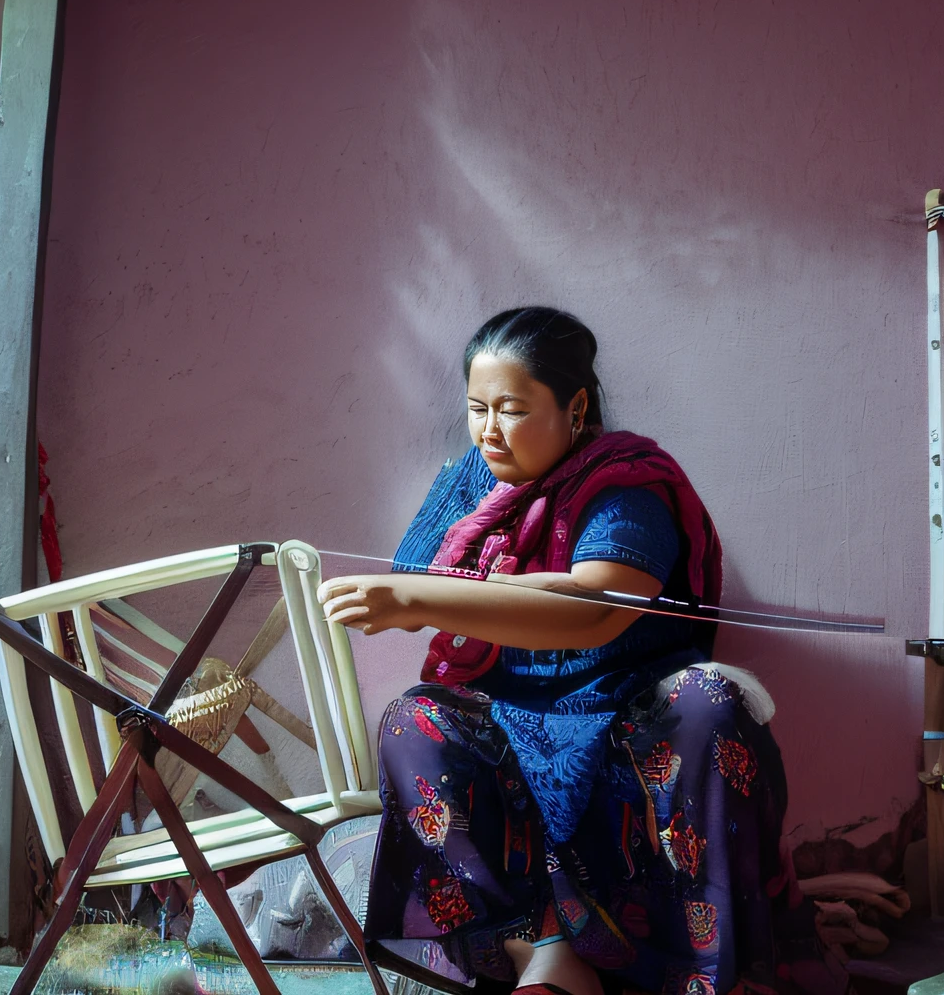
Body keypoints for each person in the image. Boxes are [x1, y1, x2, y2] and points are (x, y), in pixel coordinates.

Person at [318, 308, 791, 995]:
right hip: (508, 709)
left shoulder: (625, 480)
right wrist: (417, 595)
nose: (488, 430)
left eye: (511, 409)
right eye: (477, 408)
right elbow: (413, 577)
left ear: (574, 407)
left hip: (632, 706)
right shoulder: (468, 489)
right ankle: (536, 953)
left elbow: (597, 607)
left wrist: (425, 600)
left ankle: (700, 975)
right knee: (412, 721)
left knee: (708, 705)